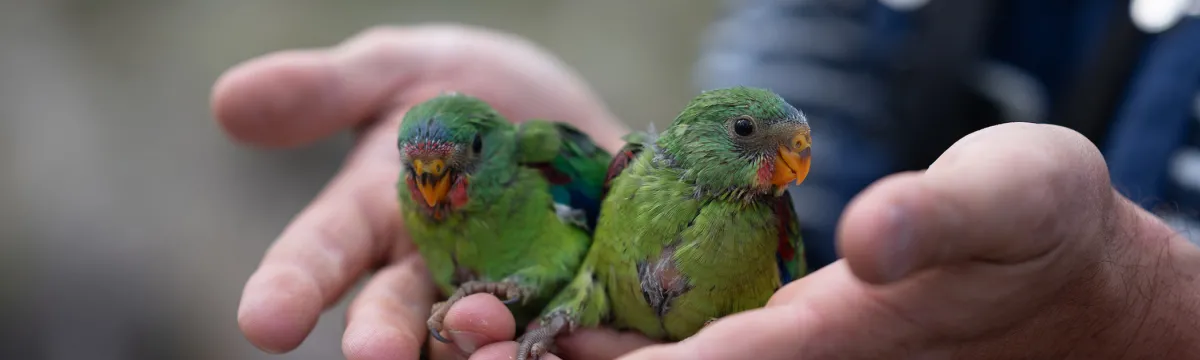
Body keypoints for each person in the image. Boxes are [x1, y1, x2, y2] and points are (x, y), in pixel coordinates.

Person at [212, 2, 1200, 359]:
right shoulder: (635, 167)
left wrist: (1148, 314)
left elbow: (807, 278)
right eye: (756, 137)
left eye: (789, 148)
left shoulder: (771, 220)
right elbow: (820, 68)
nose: (790, 163)